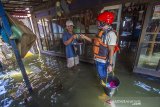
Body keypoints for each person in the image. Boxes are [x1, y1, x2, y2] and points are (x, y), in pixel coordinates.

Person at [81, 11, 118, 85]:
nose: (97, 23)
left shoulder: (111, 34)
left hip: (103, 61)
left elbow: (111, 50)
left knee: (103, 76)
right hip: (98, 59)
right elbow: (94, 41)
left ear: (105, 22)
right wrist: (84, 37)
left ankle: (106, 91)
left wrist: (110, 64)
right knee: (101, 75)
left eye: (99, 22)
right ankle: (103, 84)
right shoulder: (101, 32)